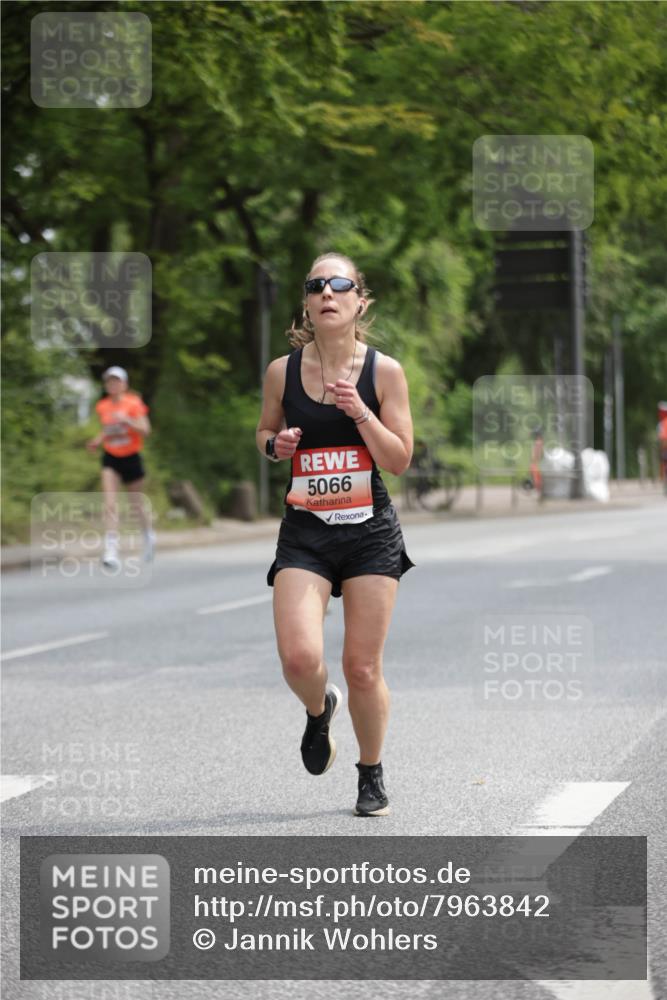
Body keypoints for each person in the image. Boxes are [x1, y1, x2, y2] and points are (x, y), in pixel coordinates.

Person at [256, 252, 415, 816]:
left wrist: (361, 414)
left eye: (340, 284)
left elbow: (398, 460)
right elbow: (264, 434)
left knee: (362, 667)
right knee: (300, 659)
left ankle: (370, 773)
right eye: (316, 284)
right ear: (306, 301)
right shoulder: (282, 371)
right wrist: (278, 446)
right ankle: (320, 709)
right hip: (305, 532)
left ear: (359, 301)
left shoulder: (384, 372)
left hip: (369, 531)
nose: (328, 291)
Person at [86, 366, 155, 568]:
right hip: (111, 458)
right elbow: (108, 430)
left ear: (124, 384)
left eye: (117, 381)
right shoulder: (103, 406)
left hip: (131, 458)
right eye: (110, 381)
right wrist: (97, 441)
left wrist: (128, 420)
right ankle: (111, 550)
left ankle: (148, 536)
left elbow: (146, 430)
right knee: (110, 504)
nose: (113, 385)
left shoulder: (134, 403)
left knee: (136, 505)